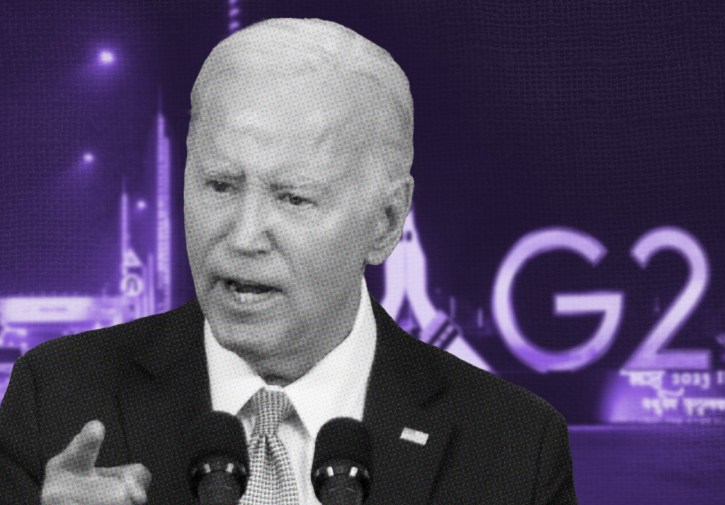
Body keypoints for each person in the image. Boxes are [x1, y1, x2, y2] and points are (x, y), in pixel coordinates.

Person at [0, 18, 576, 504]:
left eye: (294, 197)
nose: (244, 236)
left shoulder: (515, 449)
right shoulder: (55, 400)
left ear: (385, 222)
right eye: (220, 186)